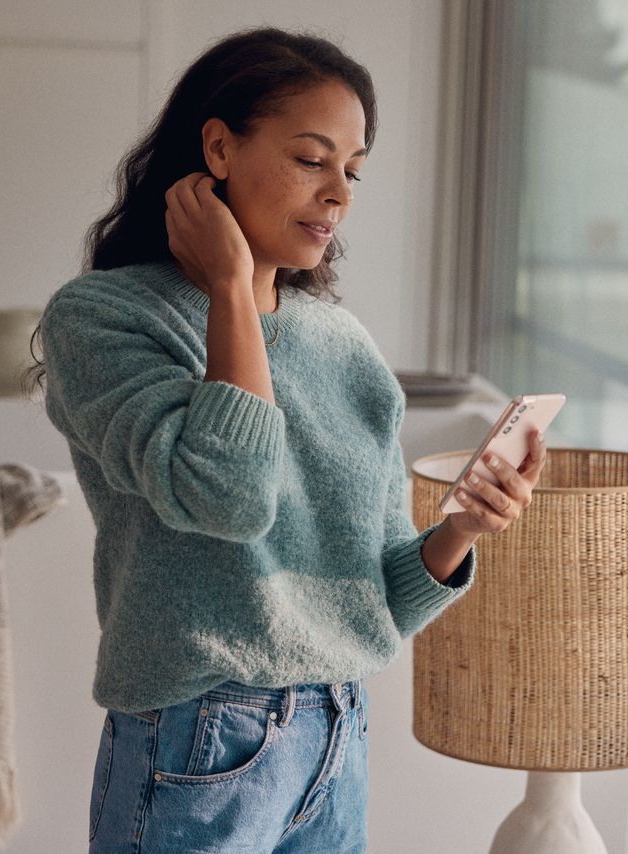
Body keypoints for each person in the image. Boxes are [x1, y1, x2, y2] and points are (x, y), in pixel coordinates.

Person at [27, 25, 547, 854]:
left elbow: (371, 603)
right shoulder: (103, 319)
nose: (338, 192)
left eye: (353, 169)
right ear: (218, 148)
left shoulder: (342, 345)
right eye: (311, 159)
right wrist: (232, 285)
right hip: (198, 736)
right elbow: (225, 498)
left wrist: (459, 531)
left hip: (334, 731)